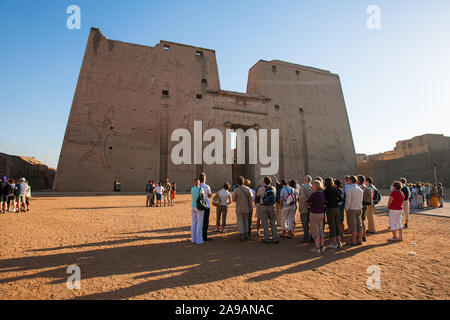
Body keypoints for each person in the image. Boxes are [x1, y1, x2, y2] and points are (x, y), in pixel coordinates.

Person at [256, 176, 278, 244]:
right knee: (273, 222)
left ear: (264, 181)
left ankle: (267, 238)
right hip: (272, 206)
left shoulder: (261, 188)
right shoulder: (273, 188)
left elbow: (257, 195)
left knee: (265, 223)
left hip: (263, 206)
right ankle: (275, 238)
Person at [323, 177, 343, 249]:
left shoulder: (325, 191)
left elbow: (324, 201)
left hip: (330, 209)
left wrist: (328, 203)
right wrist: (336, 203)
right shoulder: (335, 189)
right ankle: (339, 242)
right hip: (337, 208)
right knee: (337, 224)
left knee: (332, 226)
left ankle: (334, 243)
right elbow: (341, 199)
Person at [307, 180, 326, 253]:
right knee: (321, 230)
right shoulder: (322, 194)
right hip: (321, 213)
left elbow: (308, 202)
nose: (311, 186)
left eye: (312, 185)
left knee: (315, 231)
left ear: (315, 186)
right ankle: (322, 246)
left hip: (314, 213)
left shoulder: (314, 194)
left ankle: (317, 248)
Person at [232, 176, 253, 241]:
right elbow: (250, 198)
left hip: (239, 207)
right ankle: (246, 234)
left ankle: (242, 235)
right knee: (246, 220)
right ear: (243, 181)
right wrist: (250, 206)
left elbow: (233, 199)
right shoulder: (247, 189)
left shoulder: (236, 190)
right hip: (246, 207)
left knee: (240, 221)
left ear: (237, 182)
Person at [345, 176, 364, 245]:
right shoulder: (360, 189)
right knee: (359, 224)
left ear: (351, 180)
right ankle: (360, 239)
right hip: (359, 208)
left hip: (352, 208)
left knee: (353, 225)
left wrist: (347, 207)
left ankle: (353, 240)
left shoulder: (350, 189)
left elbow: (348, 200)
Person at [299, 175, 313, 243]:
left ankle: (306, 237)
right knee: (312, 223)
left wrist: (307, 202)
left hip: (304, 207)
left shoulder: (303, 187)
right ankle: (313, 236)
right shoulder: (312, 186)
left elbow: (303, 196)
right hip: (312, 207)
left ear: (305, 180)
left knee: (305, 223)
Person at [190, 178, 205, 244]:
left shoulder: (192, 189)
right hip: (199, 207)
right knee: (199, 224)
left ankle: (193, 239)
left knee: (193, 223)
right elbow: (203, 198)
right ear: (199, 183)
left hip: (193, 206)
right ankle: (199, 240)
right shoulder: (201, 189)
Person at [358, 175, 372, 242]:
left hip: (360, 205)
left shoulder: (359, 187)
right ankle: (364, 235)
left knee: (359, 221)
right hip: (365, 205)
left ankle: (359, 236)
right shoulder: (366, 187)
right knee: (363, 220)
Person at [199, 173, 213, 241]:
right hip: (206, 205)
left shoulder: (197, 186)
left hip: (198, 205)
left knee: (199, 221)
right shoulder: (207, 186)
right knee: (205, 221)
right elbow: (210, 195)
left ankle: (198, 236)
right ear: (205, 179)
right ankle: (204, 236)